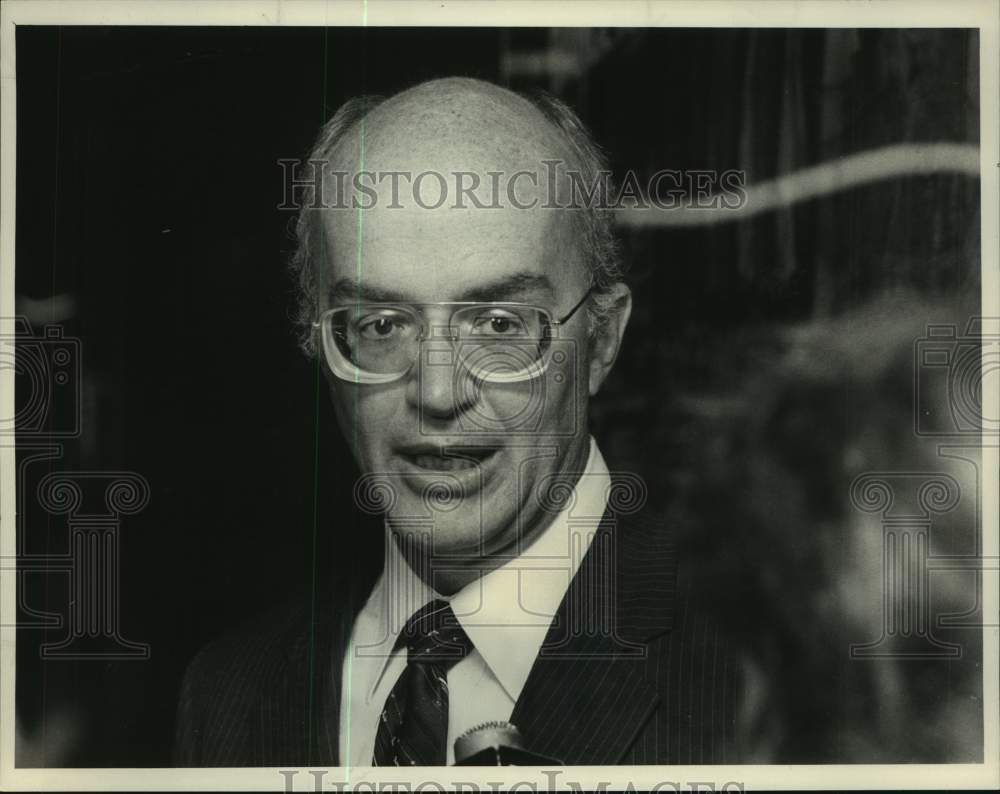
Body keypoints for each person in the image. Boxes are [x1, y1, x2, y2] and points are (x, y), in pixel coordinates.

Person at [174, 77, 738, 767]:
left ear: (600, 341)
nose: (438, 392)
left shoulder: (769, 675)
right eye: (381, 325)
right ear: (315, 340)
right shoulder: (229, 695)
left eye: (499, 324)